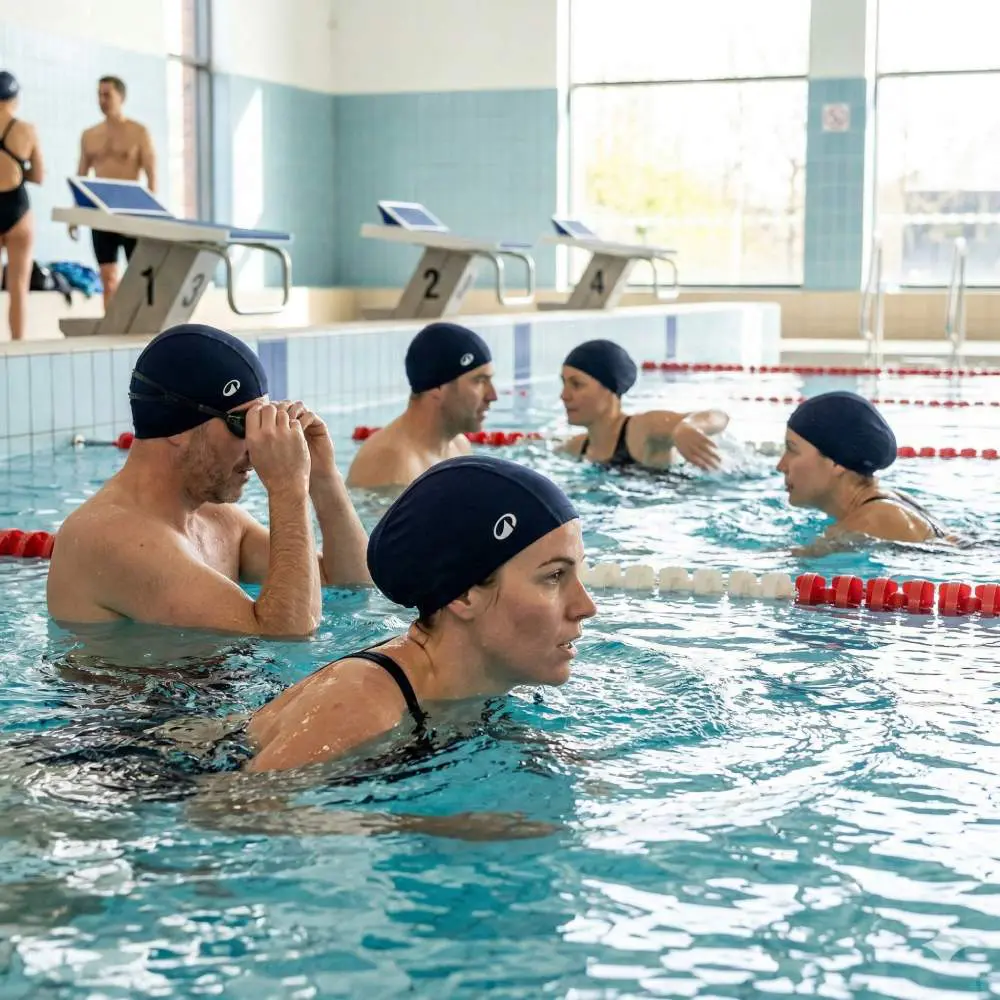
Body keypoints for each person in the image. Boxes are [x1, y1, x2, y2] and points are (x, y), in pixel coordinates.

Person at [247, 455, 597, 772]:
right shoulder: (357, 704)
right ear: (464, 594)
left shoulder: (478, 687)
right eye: (554, 576)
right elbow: (237, 808)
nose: (586, 607)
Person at [46, 323, 371, 637]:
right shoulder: (111, 537)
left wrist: (323, 477)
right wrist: (288, 487)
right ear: (177, 429)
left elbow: (350, 585)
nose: (256, 445)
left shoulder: (218, 520)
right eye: (243, 424)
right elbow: (288, 637)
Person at [778, 390, 952, 550]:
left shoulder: (874, 519)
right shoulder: (888, 501)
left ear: (836, 462)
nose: (781, 466)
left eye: (792, 450)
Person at [346, 322, 497, 489]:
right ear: (437, 387)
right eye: (479, 381)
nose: (492, 396)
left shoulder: (459, 446)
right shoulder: (395, 464)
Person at [558, 339, 729, 472]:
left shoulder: (642, 429)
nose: (564, 395)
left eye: (577, 384)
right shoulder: (576, 447)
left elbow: (718, 416)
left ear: (610, 389)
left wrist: (688, 426)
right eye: (564, 383)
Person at [75, 75, 157, 310]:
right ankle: (111, 326)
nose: (102, 100)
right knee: (108, 277)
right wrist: (76, 214)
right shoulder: (90, 135)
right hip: (102, 214)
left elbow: (152, 175)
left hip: (132, 213)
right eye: (99, 95)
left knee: (137, 277)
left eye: (107, 95)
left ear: (121, 97)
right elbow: (81, 178)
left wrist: (151, 214)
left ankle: (137, 324)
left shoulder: (138, 132)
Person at [0, 71, 45, 341]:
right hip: (18, 208)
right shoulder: (26, 130)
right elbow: (39, 175)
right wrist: (17, 171)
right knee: (18, 286)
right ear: (14, 98)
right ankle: (18, 344)